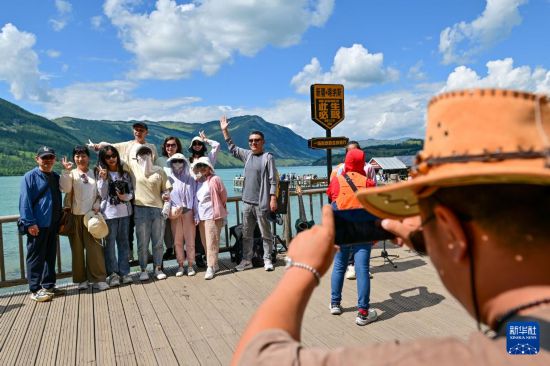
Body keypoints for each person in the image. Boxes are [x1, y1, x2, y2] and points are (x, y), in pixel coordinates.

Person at [231, 89, 550, 365]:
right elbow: (525, 347)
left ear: (452, 233)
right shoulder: (527, 340)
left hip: (342, 245)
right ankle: (361, 307)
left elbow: (256, 359)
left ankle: (337, 302)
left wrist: (300, 268)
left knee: (344, 267)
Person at [88, 122, 159, 262]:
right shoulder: (128, 145)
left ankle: (146, 251)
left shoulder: (152, 147)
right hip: (130, 188)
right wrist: (97, 146)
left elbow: (154, 167)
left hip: (146, 192)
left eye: (141, 130)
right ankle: (130, 253)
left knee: (142, 225)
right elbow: (111, 147)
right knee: (129, 225)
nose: (138, 132)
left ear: (146, 132)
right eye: (136, 130)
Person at [220, 115, 278, 272]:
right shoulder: (247, 155)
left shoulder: (268, 158)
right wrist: (225, 131)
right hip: (247, 202)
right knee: (246, 234)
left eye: (257, 140)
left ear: (263, 142)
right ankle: (247, 260)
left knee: (266, 233)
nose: (254, 143)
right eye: (251, 141)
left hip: (262, 203)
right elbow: (232, 148)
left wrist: (273, 198)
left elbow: (273, 180)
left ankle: (267, 259)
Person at [326, 148, 377, 325]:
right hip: (363, 229)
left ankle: (335, 303)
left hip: (342, 228)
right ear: (362, 163)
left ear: (347, 161)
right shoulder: (368, 182)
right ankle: (363, 312)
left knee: (339, 266)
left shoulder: (337, 180)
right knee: (362, 269)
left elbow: (331, 197)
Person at [60, 146, 109, 291]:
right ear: (74, 158)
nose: (80, 159)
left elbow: (102, 194)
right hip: (75, 216)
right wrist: (67, 171)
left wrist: (98, 202)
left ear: (88, 158)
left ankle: (99, 279)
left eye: (83, 156)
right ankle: (81, 280)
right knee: (77, 249)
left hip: (92, 217)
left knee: (95, 249)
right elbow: (65, 189)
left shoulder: (95, 172)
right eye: (77, 156)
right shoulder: (71, 173)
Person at [19, 146, 63, 302]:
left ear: (54, 159)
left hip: (52, 224)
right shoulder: (29, 177)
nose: (48, 160)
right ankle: (35, 289)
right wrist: (30, 223)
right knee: (35, 258)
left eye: (50, 157)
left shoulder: (56, 177)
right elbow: (25, 203)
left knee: (50, 257)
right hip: (37, 225)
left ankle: (49, 286)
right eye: (44, 158)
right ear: (37, 159)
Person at [330, 140, 376, 281]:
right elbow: (334, 188)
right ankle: (351, 265)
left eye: (355, 150)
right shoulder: (339, 169)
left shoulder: (369, 168)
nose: (352, 153)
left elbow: (373, 187)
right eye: (349, 151)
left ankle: (360, 267)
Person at [132, 145, 171, 281]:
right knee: (142, 243)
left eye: (147, 153)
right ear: (137, 157)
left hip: (158, 210)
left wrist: (166, 198)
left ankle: (157, 268)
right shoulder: (133, 169)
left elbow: (166, 190)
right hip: (140, 209)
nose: (145, 156)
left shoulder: (160, 171)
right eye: (141, 154)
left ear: (152, 155)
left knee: (158, 242)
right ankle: (143, 269)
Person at [96, 145, 134, 286]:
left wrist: (126, 197)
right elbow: (102, 194)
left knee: (123, 243)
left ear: (117, 156)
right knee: (110, 245)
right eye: (107, 157)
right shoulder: (100, 172)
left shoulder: (124, 173)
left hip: (125, 213)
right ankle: (112, 274)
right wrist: (103, 179)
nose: (111, 159)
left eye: (113, 155)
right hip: (108, 214)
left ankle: (124, 273)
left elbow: (131, 192)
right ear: (103, 159)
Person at [188, 131, 221, 268]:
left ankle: (209, 260)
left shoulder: (208, 159)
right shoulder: (187, 161)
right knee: (195, 231)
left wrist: (206, 139)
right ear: (191, 146)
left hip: (206, 196)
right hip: (192, 197)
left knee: (208, 232)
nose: (197, 145)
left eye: (199, 144)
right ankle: (197, 256)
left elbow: (217, 145)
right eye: (194, 144)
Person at [192, 157, 228, 280]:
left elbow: (224, 195)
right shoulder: (197, 181)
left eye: (204, 165)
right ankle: (214, 264)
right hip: (201, 216)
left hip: (213, 216)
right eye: (200, 165)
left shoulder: (215, 179)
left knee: (212, 242)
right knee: (205, 242)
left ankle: (210, 267)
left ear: (209, 167)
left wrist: (219, 209)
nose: (202, 168)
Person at [165, 152, 197, 277]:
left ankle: (190, 264)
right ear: (171, 163)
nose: (177, 164)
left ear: (184, 163)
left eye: (180, 161)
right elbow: (166, 195)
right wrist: (172, 209)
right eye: (174, 161)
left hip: (189, 212)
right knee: (177, 240)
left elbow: (195, 197)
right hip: (175, 213)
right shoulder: (168, 178)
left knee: (190, 240)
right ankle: (180, 265)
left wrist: (196, 214)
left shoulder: (191, 178)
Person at [157, 136, 183, 260]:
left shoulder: (182, 159)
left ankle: (181, 251)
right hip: (164, 197)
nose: (170, 147)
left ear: (177, 147)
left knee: (179, 224)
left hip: (179, 198)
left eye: (173, 145)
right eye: (168, 145)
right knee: (165, 224)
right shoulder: (159, 160)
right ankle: (169, 247)